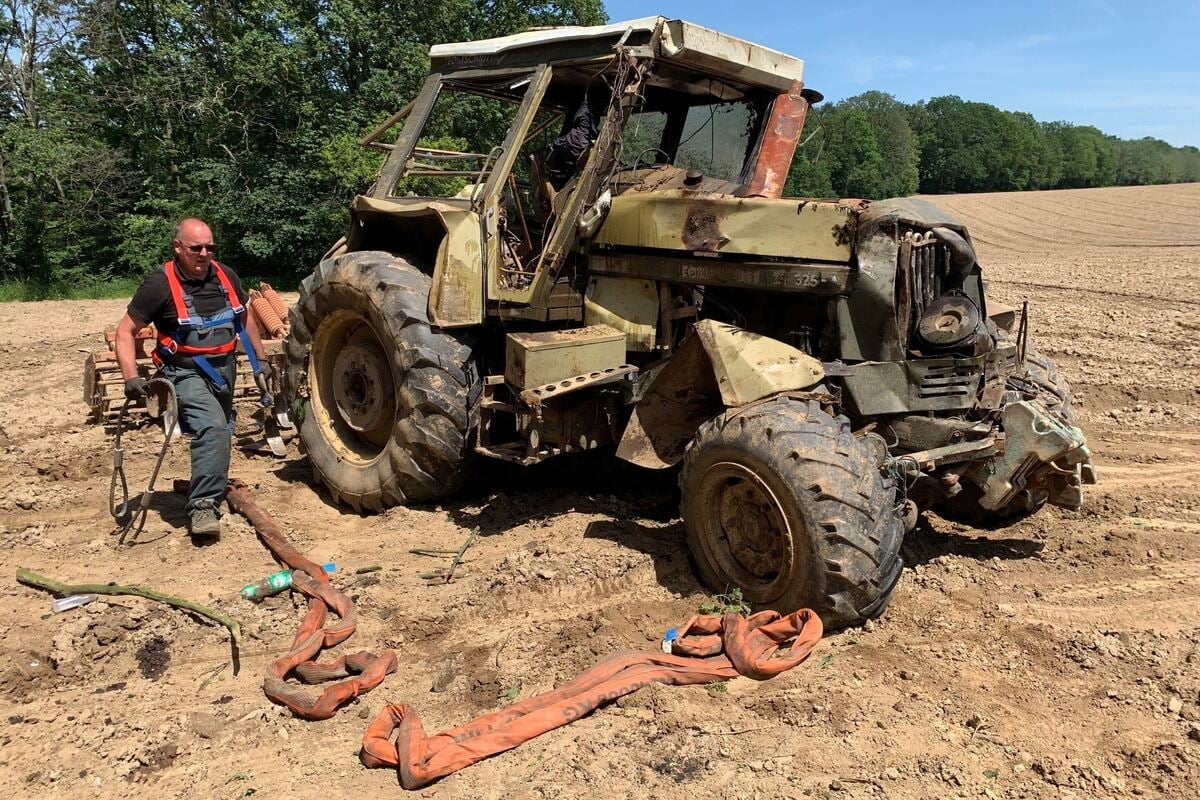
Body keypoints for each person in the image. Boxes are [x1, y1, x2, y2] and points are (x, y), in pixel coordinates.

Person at [114, 218, 270, 539]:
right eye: (195, 247)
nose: (204, 254)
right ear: (177, 247)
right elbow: (124, 332)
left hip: (224, 368)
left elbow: (245, 319)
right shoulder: (158, 285)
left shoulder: (226, 276)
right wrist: (130, 376)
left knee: (223, 428)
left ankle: (209, 484)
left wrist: (261, 362)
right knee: (212, 427)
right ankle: (202, 507)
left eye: (209, 247)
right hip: (184, 370)